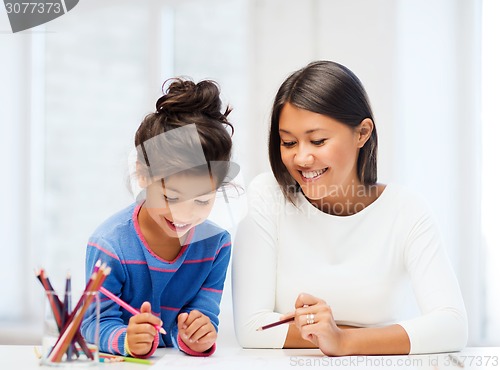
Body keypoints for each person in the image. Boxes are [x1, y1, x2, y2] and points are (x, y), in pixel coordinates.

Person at [232, 60, 468, 355]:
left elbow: (452, 326)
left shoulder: (406, 210)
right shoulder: (268, 196)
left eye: (317, 141)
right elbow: (252, 328)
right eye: (289, 142)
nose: (302, 158)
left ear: (362, 133)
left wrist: (342, 340)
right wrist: (375, 335)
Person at [81, 78, 238, 358]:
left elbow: (201, 317)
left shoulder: (216, 245)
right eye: (172, 197)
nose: (184, 214)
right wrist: (126, 338)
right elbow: (94, 323)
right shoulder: (110, 245)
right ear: (142, 174)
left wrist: (196, 334)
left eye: (202, 200)